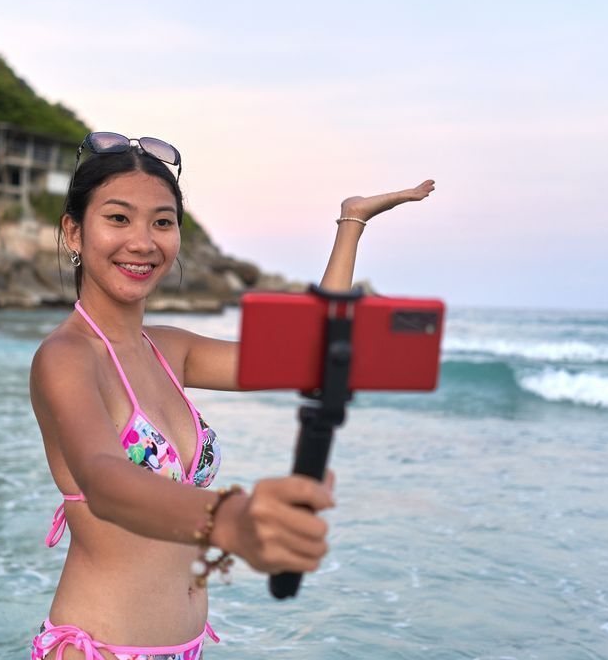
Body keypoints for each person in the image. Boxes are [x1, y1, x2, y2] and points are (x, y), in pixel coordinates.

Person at [29, 132, 435, 660]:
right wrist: (232, 519)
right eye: (118, 218)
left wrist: (351, 223)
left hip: (186, 645)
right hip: (101, 648)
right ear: (74, 233)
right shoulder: (66, 357)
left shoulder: (170, 351)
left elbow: (309, 355)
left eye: (162, 221)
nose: (143, 241)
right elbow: (106, 482)